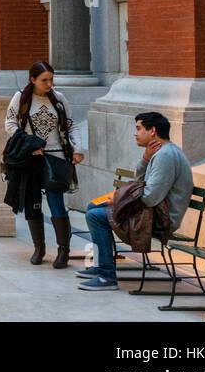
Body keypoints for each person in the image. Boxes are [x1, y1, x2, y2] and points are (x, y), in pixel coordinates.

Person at [78, 111, 194, 292]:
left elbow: (149, 198)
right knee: (93, 206)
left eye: (139, 128)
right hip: (152, 212)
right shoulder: (161, 153)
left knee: (95, 216)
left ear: (152, 131)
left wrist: (117, 202)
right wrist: (145, 160)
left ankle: (107, 276)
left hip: (160, 220)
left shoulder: (166, 156)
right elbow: (141, 183)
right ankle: (102, 266)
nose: (135, 133)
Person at [3, 60, 85, 268]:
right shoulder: (21, 97)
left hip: (56, 158)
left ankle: (63, 251)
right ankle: (39, 248)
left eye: (51, 79)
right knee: (33, 203)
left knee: (57, 202)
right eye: (44, 80)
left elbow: (71, 124)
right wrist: (30, 144)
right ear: (33, 79)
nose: (49, 84)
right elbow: (10, 124)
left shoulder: (59, 99)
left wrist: (78, 148)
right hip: (30, 159)